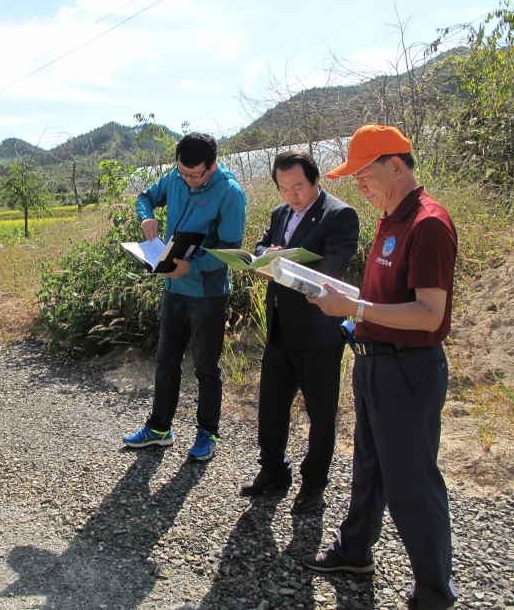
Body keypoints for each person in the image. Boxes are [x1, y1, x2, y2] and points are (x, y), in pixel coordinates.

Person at [302, 125, 459, 610]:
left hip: (408, 371)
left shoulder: (427, 223)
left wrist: (357, 311)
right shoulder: (391, 218)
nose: (360, 186)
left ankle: (434, 591)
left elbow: (430, 313)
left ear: (396, 165)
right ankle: (355, 551)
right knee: (369, 467)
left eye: (365, 175)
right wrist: (348, 300)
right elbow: (383, 299)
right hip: (373, 364)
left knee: (412, 480)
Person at [240, 150, 359, 514]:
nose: (292, 195)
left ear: (315, 180)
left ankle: (313, 485)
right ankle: (274, 469)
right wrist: (268, 252)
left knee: (321, 415)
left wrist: (287, 262)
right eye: (283, 188)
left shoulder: (339, 214)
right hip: (279, 326)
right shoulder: (280, 214)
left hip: (317, 331)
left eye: (298, 186)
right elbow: (262, 246)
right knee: (272, 406)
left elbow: (335, 264)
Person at [122, 133, 247, 461]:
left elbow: (229, 253)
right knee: (166, 362)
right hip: (172, 290)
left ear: (213, 165)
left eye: (196, 175)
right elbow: (145, 197)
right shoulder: (175, 179)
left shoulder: (230, 194)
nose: (189, 181)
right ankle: (160, 428)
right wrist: (145, 215)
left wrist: (188, 267)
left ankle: (208, 432)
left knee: (206, 366)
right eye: (183, 173)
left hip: (207, 296)